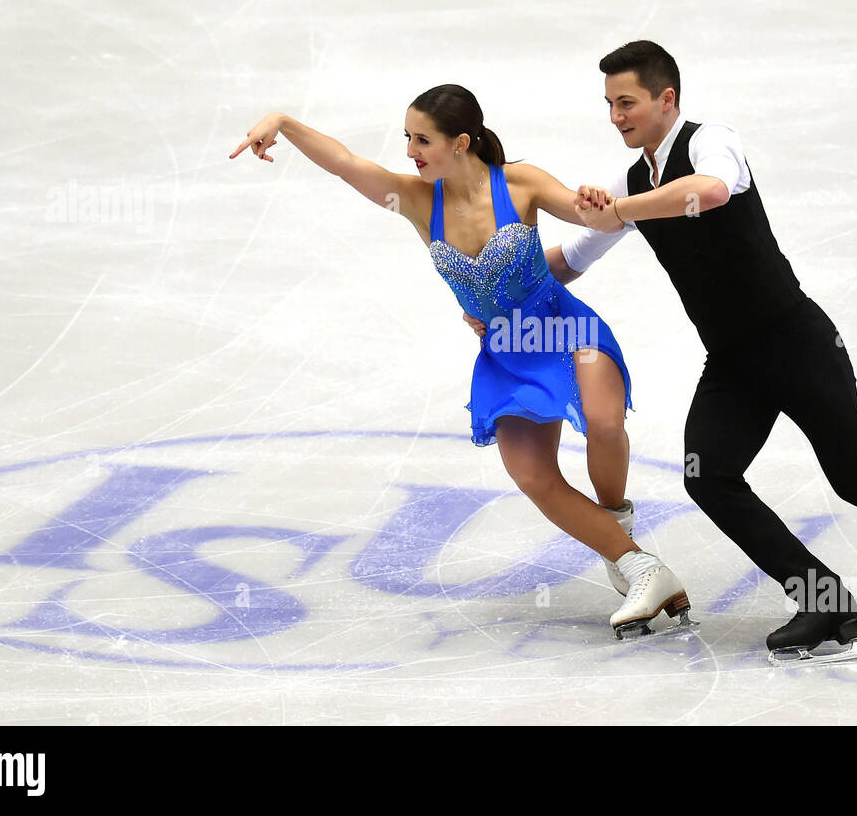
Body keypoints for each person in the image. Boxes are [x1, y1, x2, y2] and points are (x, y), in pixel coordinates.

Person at [470, 41, 857, 665]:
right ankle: (824, 601)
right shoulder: (631, 179)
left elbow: (711, 191)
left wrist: (623, 212)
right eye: (609, 105)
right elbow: (573, 258)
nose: (616, 117)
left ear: (667, 99)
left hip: (796, 341)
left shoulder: (712, 141)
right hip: (733, 365)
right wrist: (505, 300)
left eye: (627, 102)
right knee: (706, 475)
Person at [229, 84, 693, 637]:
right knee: (533, 475)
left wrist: (594, 208)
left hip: (565, 329)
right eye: (407, 137)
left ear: (461, 142)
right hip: (505, 354)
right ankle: (639, 564)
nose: (409, 151)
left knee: (602, 420)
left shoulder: (518, 182)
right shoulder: (416, 200)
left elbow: (590, 215)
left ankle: (614, 520)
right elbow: (346, 165)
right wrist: (283, 121)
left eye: (422, 139)